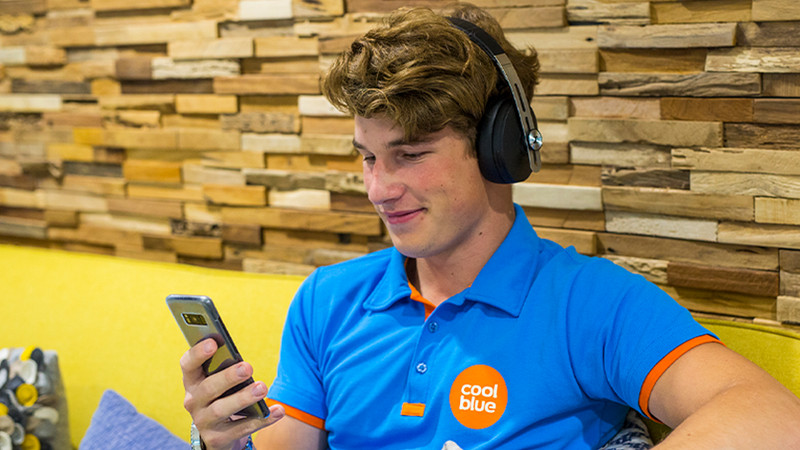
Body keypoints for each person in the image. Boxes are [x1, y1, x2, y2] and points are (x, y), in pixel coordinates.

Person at [180, 4, 800, 449]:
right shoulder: (327, 300)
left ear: (500, 149)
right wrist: (222, 440)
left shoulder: (591, 303)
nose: (379, 189)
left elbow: (773, 418)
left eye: (410, 155)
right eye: (368, 157)